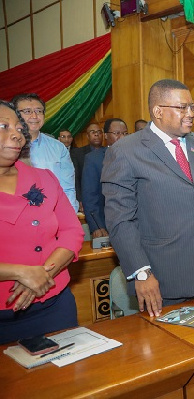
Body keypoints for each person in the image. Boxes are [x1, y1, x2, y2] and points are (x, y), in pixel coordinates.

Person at [102, 79, 194, 317]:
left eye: (192, 107)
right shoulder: (126, 151)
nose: (190, 114)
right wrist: (142, 272)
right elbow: (120, 221)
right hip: (164, 275)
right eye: (182, 108)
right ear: (158, 111)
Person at [0, 100, 84, 344]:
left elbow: (72, 232)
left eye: (18, 127)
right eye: (4, 126)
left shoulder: (43, 178)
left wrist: (43, 275)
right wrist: (21, 273)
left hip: (54, 305)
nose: (16, 134)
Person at [11, 93, 77, 212]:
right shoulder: (5, 147)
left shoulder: (58, 148)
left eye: (39, 111)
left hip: (51, 215)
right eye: (27, 111)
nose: (34, 116)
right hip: (13, 215)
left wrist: (69, 219)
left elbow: (68, 189)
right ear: (14, 114)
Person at [82, 118, 127, 239]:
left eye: (125, 133)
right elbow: (90, 195)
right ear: (106, 135)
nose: (122, 137)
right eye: (117, 133)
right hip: (107, 224)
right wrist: (96, 226)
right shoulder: (94, 159)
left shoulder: (134, 155)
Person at [71, 123, 104, 210]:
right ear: (87, 136)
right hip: (88, 198)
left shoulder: (108, 152)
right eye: (93, 132)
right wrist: (79, 199)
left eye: (99, 132)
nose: (96, 134)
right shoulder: (78, 153)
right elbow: (76, 178)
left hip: (106, 197)